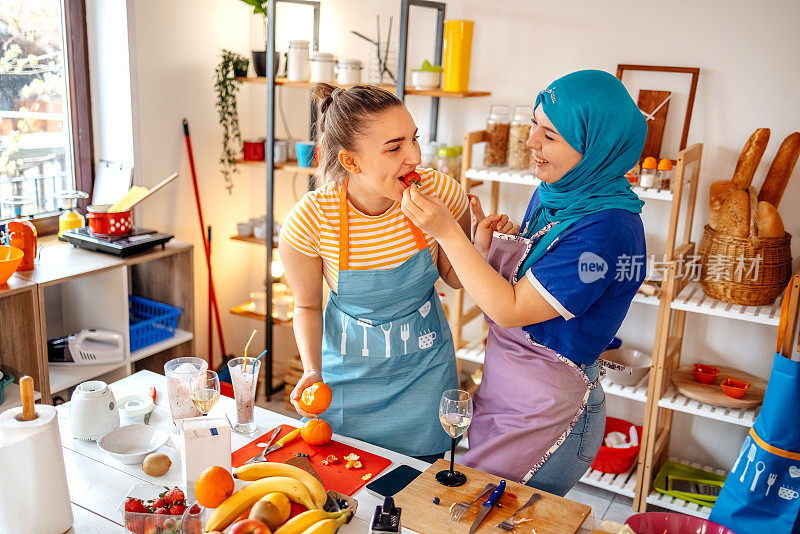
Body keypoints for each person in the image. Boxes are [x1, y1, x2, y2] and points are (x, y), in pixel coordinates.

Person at [401, 70, 648, 494]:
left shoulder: (608, 231)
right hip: (504, 390)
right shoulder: (556, 193)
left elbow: (510, 308)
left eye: (549, 135)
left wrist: (447, 233)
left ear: (595, 147)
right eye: (535, 125)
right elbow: (512, 288)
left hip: (547, 413)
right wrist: (482, 246)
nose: (531, 142)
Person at [279, 83, 481, 461]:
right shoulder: (310, 220)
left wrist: (469, 239)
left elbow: (454, 279)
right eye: (394, 148)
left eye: (414, 139)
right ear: (351, 161)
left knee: (420, 498)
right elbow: (306, 307)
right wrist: (311, 370)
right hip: (346, 384)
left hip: (424, 374)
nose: (415, 157)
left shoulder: (441, 193)